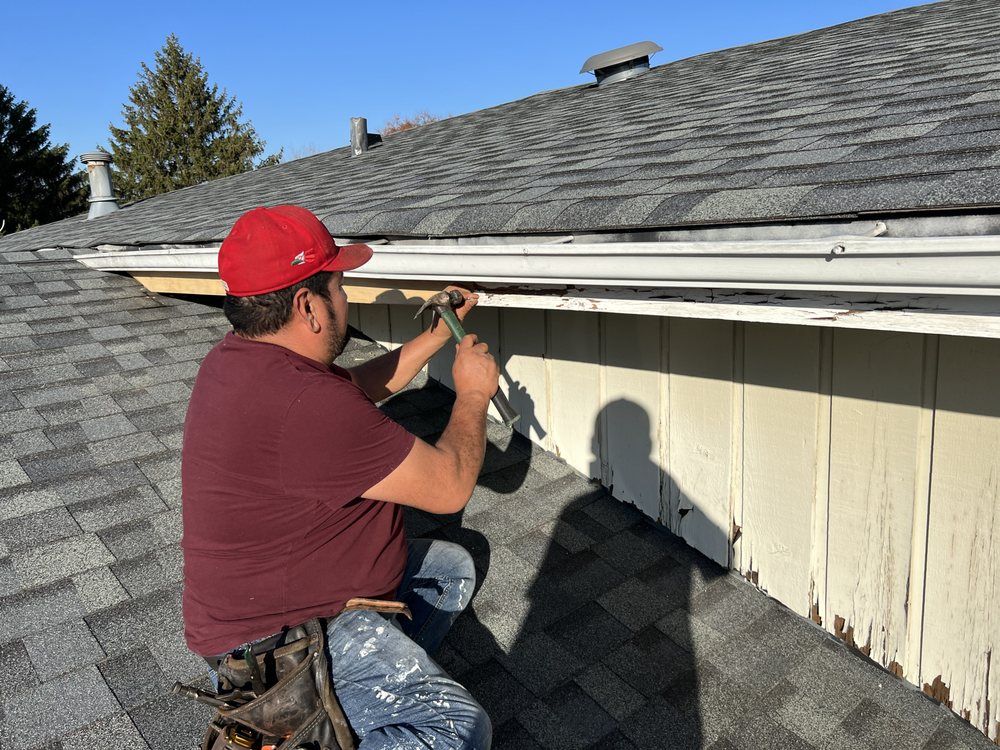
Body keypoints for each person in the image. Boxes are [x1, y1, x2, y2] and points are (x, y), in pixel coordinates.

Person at [181, 205, 498, 749]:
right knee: (457, 731)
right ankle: (302, 712)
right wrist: (472, 393)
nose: (346, 300)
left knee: (451, 569)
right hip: (288, 637)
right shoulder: (305, 405)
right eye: (340, 286)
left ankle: (339, 711)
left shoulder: (247, 360)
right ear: (308, 305)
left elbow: (357, 385)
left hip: (279, 605)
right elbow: (450, 487)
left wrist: (437, 338)